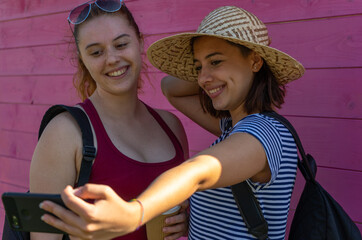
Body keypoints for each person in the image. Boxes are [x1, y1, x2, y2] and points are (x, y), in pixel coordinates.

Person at [39, 5, 305, 240]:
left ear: (255, 61)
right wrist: (196, 221)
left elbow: (198, 171)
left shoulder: (267, 133)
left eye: (216, 61)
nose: (202, 78)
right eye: (199, 67)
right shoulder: (232, 129)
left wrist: (135, 213)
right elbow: (171, 87)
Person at [29, 0, 189, 240]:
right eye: (96, 52)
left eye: (121, 44)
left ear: (140, 42)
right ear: (83, 60)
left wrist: (187, 221)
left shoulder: (171, 126)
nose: (112, 58)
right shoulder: (65, 132)